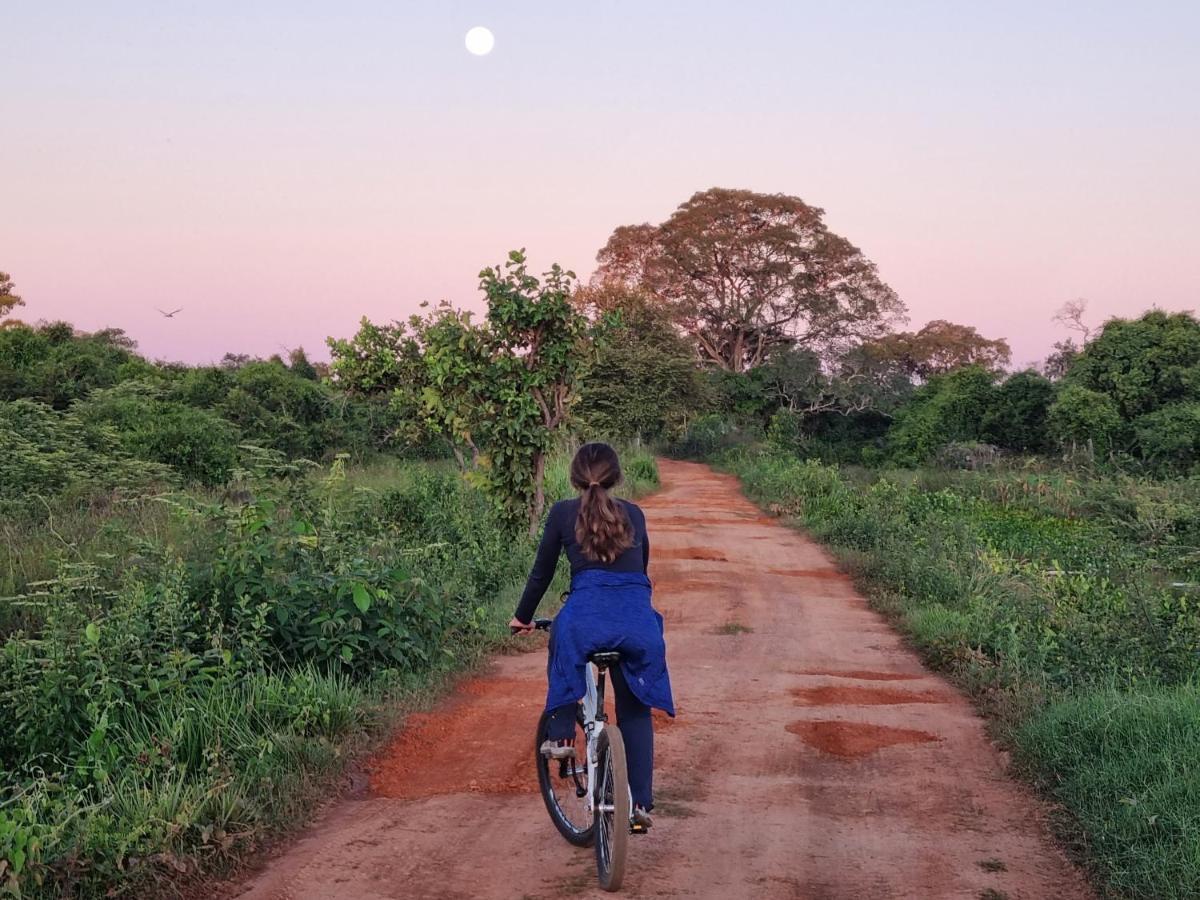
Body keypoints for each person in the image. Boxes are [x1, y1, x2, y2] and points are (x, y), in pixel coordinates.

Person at [510, 442, 674, 828]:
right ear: (616, 476)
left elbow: (542, 573)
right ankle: (640, 805)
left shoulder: (563, 514)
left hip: (586, 615)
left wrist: (522, 617)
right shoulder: (634, 514)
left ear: (575, 477)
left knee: (564, 642)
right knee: (635, 708)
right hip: (636, 618)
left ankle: (561, 735)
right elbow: (641, 572)